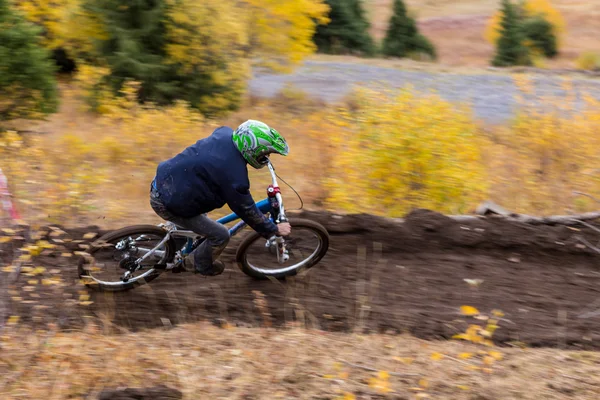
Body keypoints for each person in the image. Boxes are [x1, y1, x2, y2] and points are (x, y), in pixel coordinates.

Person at [149, 120, 292, 276]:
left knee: (194, 223)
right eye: (264, 154)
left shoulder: (224, 134)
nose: (266, 158)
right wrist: (273, 229)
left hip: (165, 180)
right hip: (167, 201)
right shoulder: (234, 177)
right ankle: (201, 264)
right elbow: (246, 209)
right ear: (252, 150)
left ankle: (168, 250)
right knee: (220, 235)